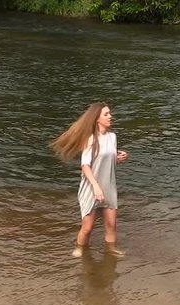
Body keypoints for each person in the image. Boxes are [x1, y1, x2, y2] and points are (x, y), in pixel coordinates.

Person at [50, 102, 128, 257]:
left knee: (111, 225)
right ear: (97, 119)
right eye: (106, 114)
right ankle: (79, 248)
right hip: (91, 188)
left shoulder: (113, 137)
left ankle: (111, 250)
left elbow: (106, 158)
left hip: (109, 187)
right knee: (88, 227)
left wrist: (119, 157)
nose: (110, 116)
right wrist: (95, 186)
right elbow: (85, 165)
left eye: (109, 113)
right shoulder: (90, 139)